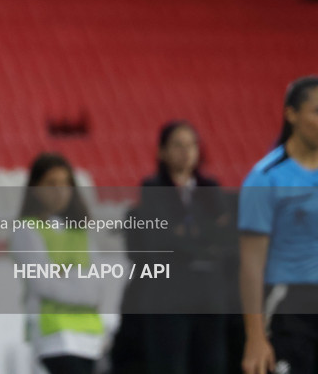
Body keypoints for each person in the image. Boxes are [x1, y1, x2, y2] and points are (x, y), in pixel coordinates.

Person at [118, 120, 230, 374]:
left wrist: (183, 234)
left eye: (191, 145)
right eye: (178, 145)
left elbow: (223, 237)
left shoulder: (210, 190)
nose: (186, 152)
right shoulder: (152, 189)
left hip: (209, 297)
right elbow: (159, 241)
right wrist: (201, 237)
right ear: (162, 151)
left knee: (211, 363)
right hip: (168, 297)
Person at [239, 76, 318, 374]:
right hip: (291, 310)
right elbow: (251, 264)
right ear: (292, 115)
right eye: (317, 112)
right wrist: (255, 337)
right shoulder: (266, 178)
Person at [11, 153, 105, 374]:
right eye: (51, 183)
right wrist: (80, 279)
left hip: (90, 339)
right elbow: (43, 284)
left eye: (65, 183)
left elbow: (97, 288)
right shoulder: (26, 230)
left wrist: (64, 275)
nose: (60, 191)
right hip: (53, 338)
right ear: (35, 188)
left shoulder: (81, 231)